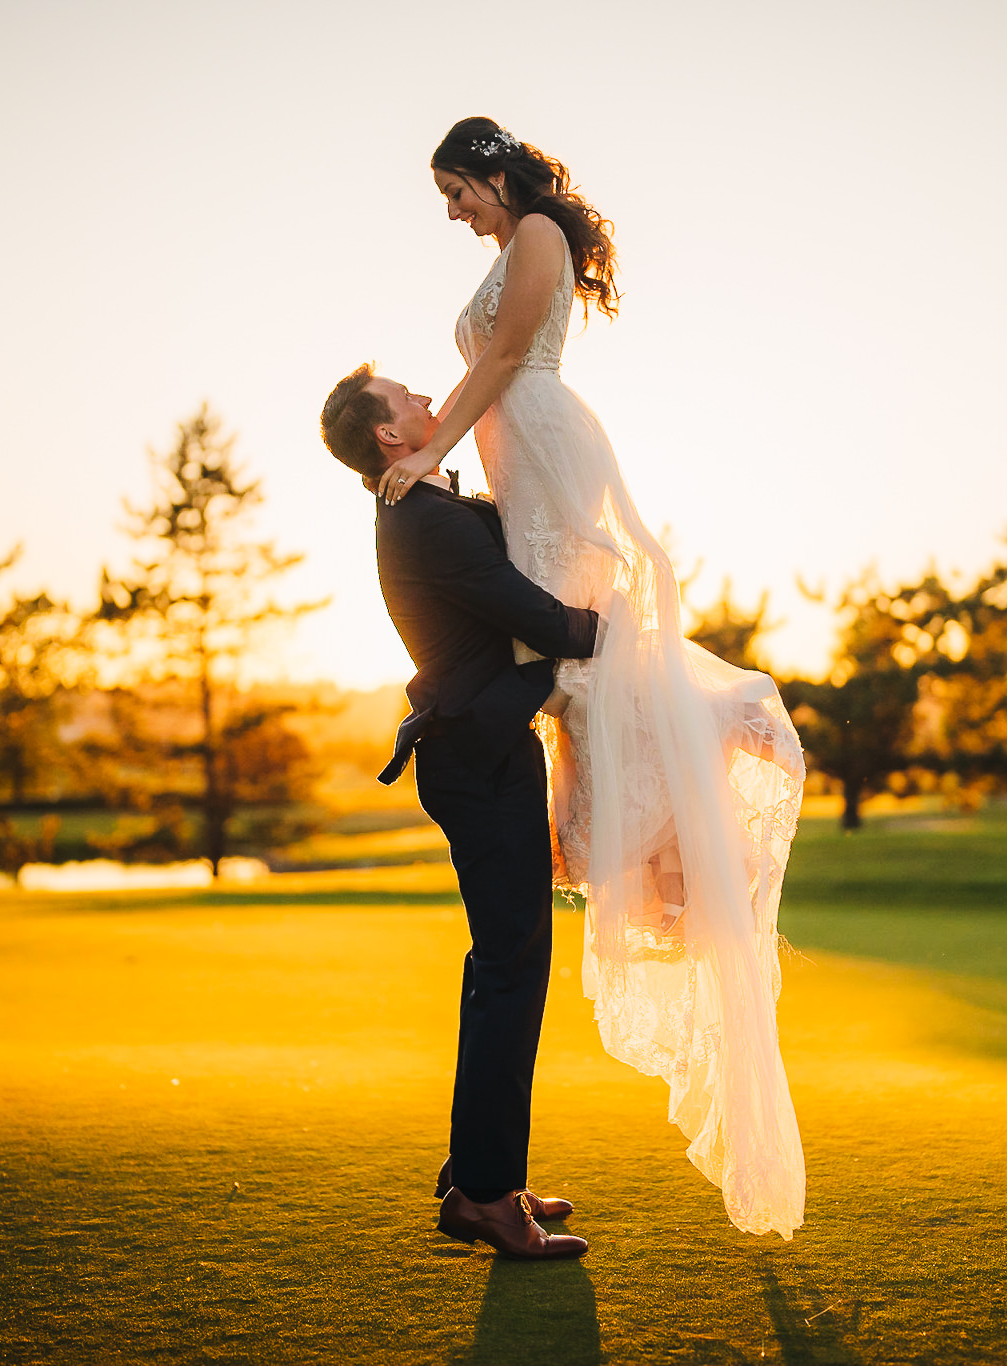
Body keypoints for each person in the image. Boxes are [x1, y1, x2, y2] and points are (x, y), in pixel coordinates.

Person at [374, 117, 807, 1239]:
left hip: (543, 432)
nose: (453, 214)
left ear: (488, 169)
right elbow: (489, 368)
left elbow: (505, 359)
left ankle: (714, 732)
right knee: (571, 670)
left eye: (452, 192)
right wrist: (443, 459)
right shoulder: (504, 252)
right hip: (514, 447)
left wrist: (429, 451)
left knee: (589, 652)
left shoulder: (532, 236)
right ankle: (486, 1181)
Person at [320, 365, 596, 1259]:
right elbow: (546, 624)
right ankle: (481, 1195)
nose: (428, 397)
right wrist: (624, 627)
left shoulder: (421, 501)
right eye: (407, 398)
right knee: (511, 969)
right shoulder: (423, 519)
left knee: (503, 967)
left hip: (483, 753)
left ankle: (483, 1175)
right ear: (390, 436)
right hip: (476, 766)